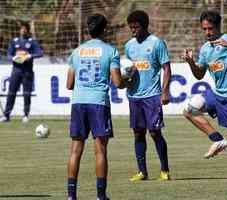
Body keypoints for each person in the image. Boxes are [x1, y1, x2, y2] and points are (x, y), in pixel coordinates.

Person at [182, 10, 227, 198]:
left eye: (210, 28)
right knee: (189, 110)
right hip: (217, 95)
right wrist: (190, 62)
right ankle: (217, 139)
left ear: (218, 26)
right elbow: (199, 74)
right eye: (204, 29)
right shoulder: (206, 49)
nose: (207, 32)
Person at [66, 14, 124, 200]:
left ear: (88, 30)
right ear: (105, 29)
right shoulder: (110, 51)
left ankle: (71, 196)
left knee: (75, 149)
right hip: (98, 103)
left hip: (78, 102)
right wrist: (128, 79)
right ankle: (100, 196)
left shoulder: (77, 51)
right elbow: (117, 81)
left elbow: (68, 84)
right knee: (100, 150)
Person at [124, 10, 171, 181]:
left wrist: (165, 91)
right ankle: (142, 172)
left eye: (136, 27)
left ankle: (164, 170)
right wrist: (125, 79)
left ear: (144, 26)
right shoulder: (129, 45)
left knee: (154, 132)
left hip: (152, 95)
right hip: (134, 95)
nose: (133, 30)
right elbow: (127, 69)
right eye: (131, 27)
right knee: (138, 133)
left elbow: (166, 68)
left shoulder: (157, 43)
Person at [0, 22, 43, 123]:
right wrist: (14, 57)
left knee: (26, 94)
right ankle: (6, 115)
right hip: (16, 71)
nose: (23, 30)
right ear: (20, 30)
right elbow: (8, 54)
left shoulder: (32, 42)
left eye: (25, 29)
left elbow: (40, 53)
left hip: (27, 71)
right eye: (21, 29)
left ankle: (26, 115)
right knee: (11, 93)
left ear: (28, 30)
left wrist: (29, 56)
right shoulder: (14, 41)